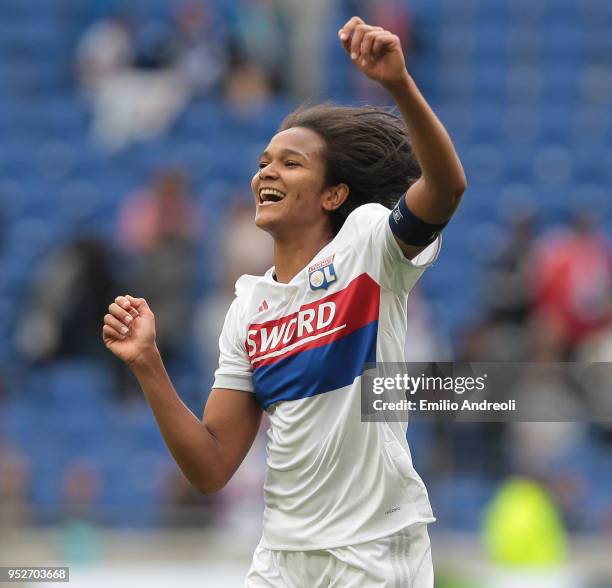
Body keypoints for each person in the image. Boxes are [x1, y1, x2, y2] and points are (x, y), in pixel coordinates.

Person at [102, 16, 466, 587]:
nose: (266, 172)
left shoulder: (369, 244)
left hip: (373, 554)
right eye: (264, 161)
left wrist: (398, 86)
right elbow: (212, 465)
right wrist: (149, 364)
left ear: (333, 194)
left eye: (290, 162)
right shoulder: (248, 305)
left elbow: (445, 189)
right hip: (281, 560)